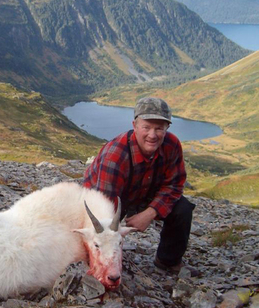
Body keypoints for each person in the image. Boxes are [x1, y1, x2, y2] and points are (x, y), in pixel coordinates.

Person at [83, 97, 197, 274]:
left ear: (167, 128)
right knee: (102, 227)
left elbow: (174, 185)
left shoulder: (172, 145)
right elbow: (104, 206)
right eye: (147, 127)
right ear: (135, 125)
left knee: (182, 209)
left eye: (159, 128)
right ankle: (97, 261)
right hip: (106, 196)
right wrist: (112, 240)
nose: (152, 135)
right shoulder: (115, 156)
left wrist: (150, 213)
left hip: (144, 191)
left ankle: (167, 261)